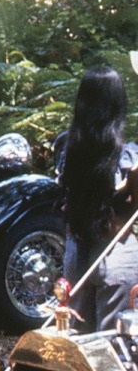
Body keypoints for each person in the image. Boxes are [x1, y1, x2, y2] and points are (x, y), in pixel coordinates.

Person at [57, 65, 138, 332]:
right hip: (116, 249)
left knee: (79, 346)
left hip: (76, 249)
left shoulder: (67, 148)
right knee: (116, 347)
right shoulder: (128, 156)